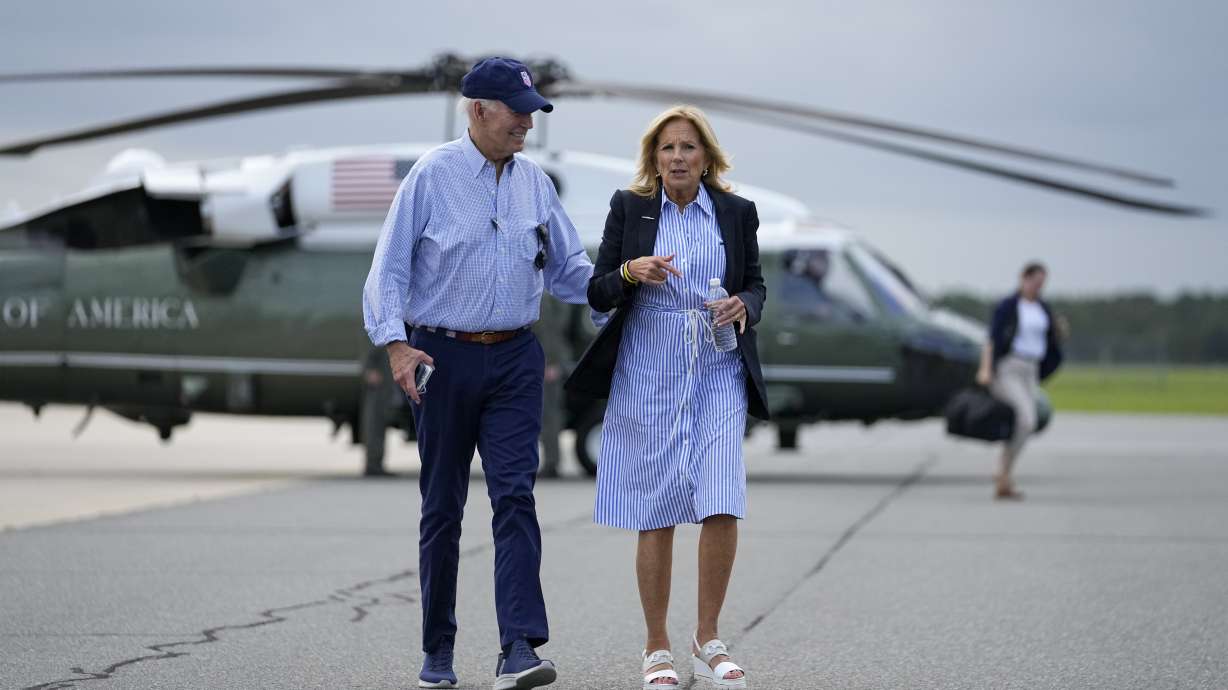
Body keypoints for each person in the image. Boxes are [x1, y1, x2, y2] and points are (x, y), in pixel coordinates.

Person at [362, 57, 593, 690]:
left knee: (515, 494)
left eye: (532, 112)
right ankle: (438, 653)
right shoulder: (432, 176)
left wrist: (626, 283)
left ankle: (517, 648)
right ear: (477, 110)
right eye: (516, 110)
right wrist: (395, 345)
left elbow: (570, 272)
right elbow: (388, 269)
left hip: (517, 355)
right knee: (442, 506)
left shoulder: (535, 184)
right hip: (441, 355)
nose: (527, 122)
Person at [565, 105, 768, 689]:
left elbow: (754, 284)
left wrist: (743, 306)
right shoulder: (629, 208)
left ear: (707, 158)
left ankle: (708, 637)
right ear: (654, 159)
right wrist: (631, 271)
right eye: (667, 149)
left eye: (688, 148)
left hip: (716, 363)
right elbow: (597, 293)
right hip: (648, 365)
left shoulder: (736, 212)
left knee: (721, 494)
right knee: (656, 505)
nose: (678, 158)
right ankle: (657, 647)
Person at [976, 261, 1065, 500]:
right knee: (1026, 419)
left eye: (1042, 284)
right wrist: (985, 369)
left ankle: (1004, 476)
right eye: (1035, 282)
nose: (1038, 287)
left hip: (1031, 369)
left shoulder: (1043, 308)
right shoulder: (1009, 306)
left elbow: (1049, 339)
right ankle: (1002, 471)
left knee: (1029, 421)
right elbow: (991, 339)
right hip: (1009, 368)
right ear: (1023, 279)